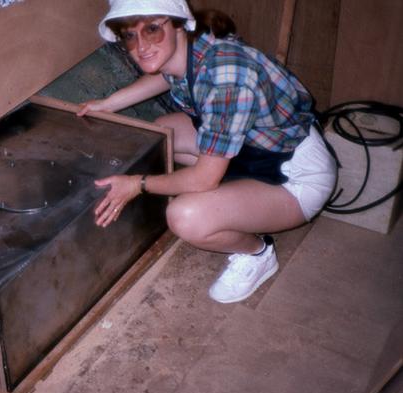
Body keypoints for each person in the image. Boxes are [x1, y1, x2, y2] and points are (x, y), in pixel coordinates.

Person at [77, 0, 336, 303]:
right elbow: (164, 74)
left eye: (151, 29)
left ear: (177, 24)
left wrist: (138, 184)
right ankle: (234, 199)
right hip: (258, 151)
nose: (141, 45)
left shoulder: (226, 77)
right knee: (164, 132)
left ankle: (258, 253)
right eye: (129, 35)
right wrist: (107, 104)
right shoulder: (190, 49)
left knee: (185, 215)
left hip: (296, 177)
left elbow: (202, 180)